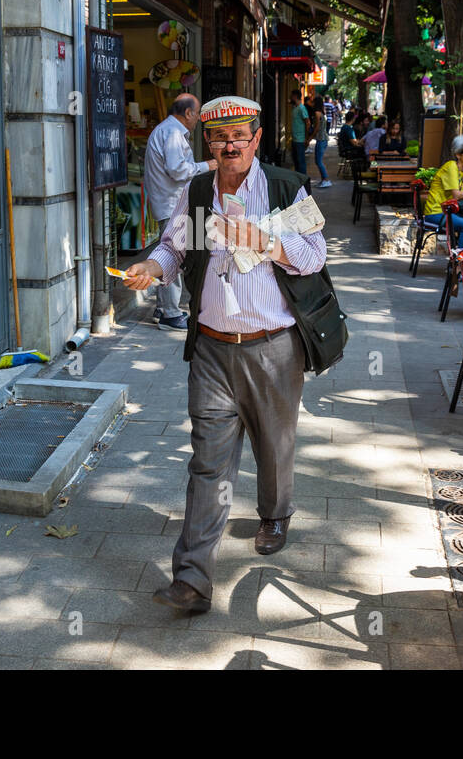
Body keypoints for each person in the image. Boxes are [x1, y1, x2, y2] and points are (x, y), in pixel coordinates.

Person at [121, 95, 329, 613]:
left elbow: (314, 256)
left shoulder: (283, 187)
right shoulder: (197, 192)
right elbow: (176, 246)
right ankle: (192, 581)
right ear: (207, 143)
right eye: (219, 137)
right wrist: (154, 267)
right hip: (213, 347)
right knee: (207, 465)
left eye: (239, 134)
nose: (230, 144)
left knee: (274, 444)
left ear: (256, 138)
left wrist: (265, 239)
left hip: (274, 347)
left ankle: (275, 512)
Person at [144, 93, 218, 330]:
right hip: (172, 204)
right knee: (174, 255)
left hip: (169, 202)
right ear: (188, 113)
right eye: (197, 114)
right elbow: (178, 171)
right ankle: (170, 313)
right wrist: (208, 165)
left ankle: (162, 307)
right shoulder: (173, 133)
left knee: (173, 251)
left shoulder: (167, 130)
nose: (198, 120)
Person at [423, 135, 463, 247]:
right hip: (436, 213)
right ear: (458, 154)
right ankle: (461, 261)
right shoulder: (451, 167)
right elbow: (458, 195)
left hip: (451, 211)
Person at [310, 96, 332, 188]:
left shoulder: (317, 113)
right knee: (318, 160)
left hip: (321, 139)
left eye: (313, 102)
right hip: (323, 139)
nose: (312, 104)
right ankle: (324, 180)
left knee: (318, 161)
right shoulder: (322, 113)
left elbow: (317, 128)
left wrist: (310, 138)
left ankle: (326, 179)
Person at [289, 90, 309, 179]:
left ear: (295, 96)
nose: (290, 97)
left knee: (300, 162)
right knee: (296, 161)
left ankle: (303, 181)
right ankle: (298, 179)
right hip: (295, 139)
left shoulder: (301, 108)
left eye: (291, 96)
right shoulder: (295, 108)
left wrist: (306, 138)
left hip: (300, 140)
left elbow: (307, 122)